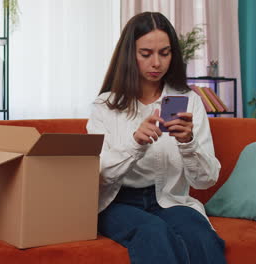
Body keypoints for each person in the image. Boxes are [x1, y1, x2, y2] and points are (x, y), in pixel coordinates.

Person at [86, 12, 226, 264]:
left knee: (200, 236)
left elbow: (206, 180)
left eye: (165, 53)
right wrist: (134, 143)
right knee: (153, 233)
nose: (157, 63)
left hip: (169, 199)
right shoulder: (104, 106)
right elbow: (96, 173)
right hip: (116, 203)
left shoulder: (190, 101)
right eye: (146, 53)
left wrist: (188, 143)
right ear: (130, 54)